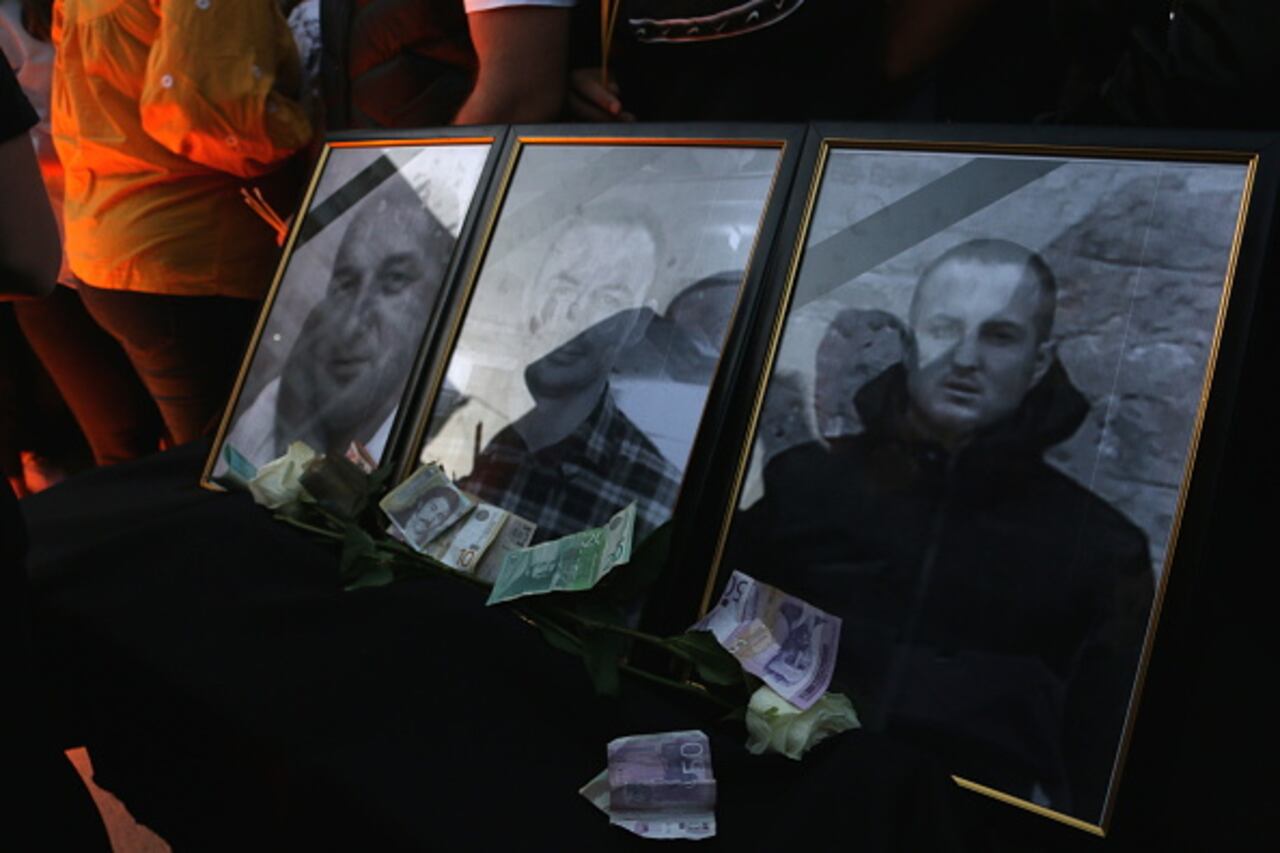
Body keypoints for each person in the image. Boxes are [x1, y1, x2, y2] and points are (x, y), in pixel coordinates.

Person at [728, 238, 1155, 822]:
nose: (965, 358)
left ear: (1038, 362)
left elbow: (1096, 776)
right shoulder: (806, 488)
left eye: (999, 336)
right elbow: (704, 663)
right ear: (910, 344)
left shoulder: (1100, 550)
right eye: (944, 328)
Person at [52, 0, 313, 448]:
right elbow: (208, 107)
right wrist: (315, 139)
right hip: (189, 257)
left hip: (118, 244)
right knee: (240, 467)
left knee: (207, 459)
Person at [458, 212, 681, 542]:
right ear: (530, 294)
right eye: (563, 286)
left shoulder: (654, 504)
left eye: (608, 300)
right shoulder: (446, 427)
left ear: (636, 324)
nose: (574, 315)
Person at [224, 175, 454, 469]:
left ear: (442, 298)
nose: (351, 325)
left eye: (395, 280)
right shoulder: (279, 399)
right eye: (346, 284)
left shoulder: (448, 428)